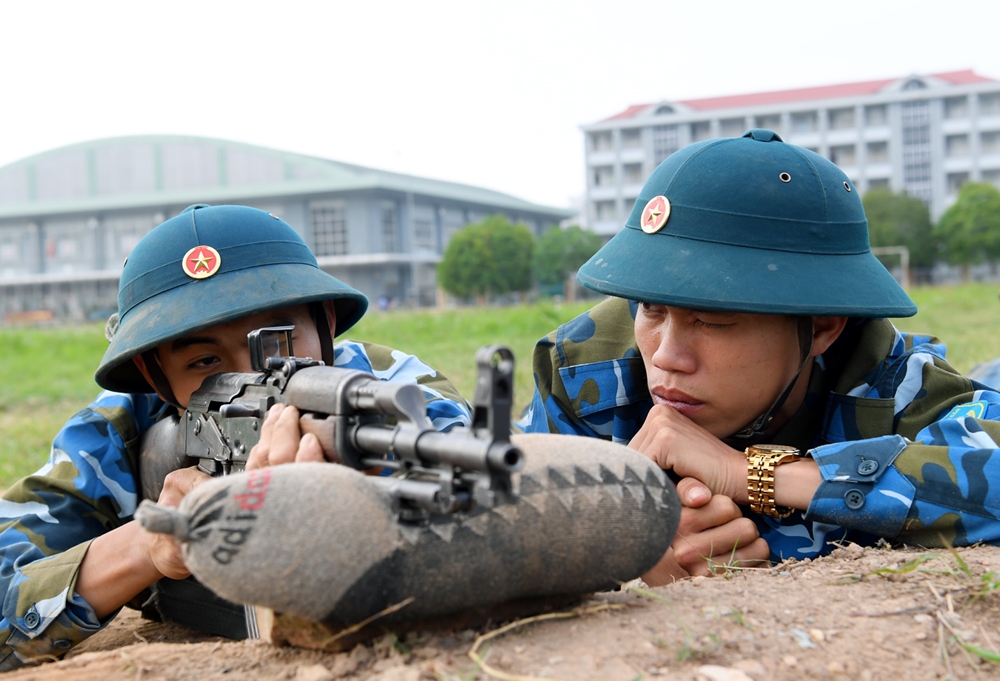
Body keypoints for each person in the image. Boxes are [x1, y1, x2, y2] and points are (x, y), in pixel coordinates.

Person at [0, 204, 472, 670]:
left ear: (325, 322)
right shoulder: (115, 436)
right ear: (154, 371)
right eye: (204, 363)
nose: (252, 378)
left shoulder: (386, 392)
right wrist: (148, 546)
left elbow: (480, 493)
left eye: (279, 344)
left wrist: (367, 489)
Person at [523, 129, 1000, 585]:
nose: (667, 357)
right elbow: (498, 509)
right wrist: (626, 549)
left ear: (823, 326)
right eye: (651, 308)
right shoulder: (587, 375)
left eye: (713, 319)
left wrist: (751, 475)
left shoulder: (890, 385)